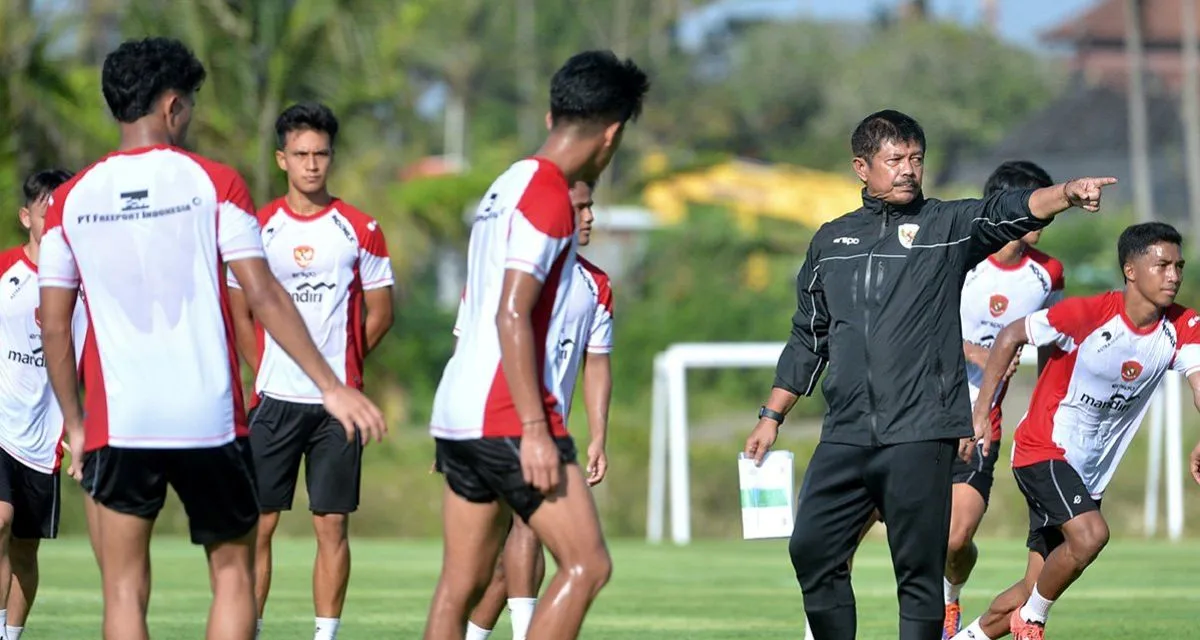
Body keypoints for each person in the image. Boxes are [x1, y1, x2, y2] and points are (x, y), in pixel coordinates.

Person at [36, 37, 386, 640]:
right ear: (172, 105)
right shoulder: (215, 182)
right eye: (190, 103)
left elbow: (53, 324)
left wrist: (73, 422)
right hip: (209, 419)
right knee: (232, 577)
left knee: (122, 591)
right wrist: (329, 385)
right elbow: (264, 294)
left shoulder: (69, 201)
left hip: (120, 421)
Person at [742, 109, 1117, 640]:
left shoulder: (946, 227)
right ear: (861, 167)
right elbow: (809, 334)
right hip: (846, 432)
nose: (908, 169)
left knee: (919, 573)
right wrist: (771, 414)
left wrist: (1065, 194)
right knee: (811, 549)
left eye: (916, 158)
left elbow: (1007, 210)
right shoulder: (830, 241)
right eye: (894, 159)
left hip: (921, 432)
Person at [422, 50, 647, 640]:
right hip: (505, 415)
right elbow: (511, 311)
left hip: (457, 412)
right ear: (613, 133)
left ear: (552, 117)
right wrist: (534, 428)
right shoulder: (549, 195)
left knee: (458, 585)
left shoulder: (507, 182)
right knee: (587, 564)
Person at [798, 160, 1067, 640]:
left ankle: (949, 602)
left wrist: (1037, 406)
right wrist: (978, 352)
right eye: (1037, 204)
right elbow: (914, 323)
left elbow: (1047, 343)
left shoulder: (1048, 273)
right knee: (839, 537)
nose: (1043, 218)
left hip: (979, 421)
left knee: (955, 537)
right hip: (910, 416)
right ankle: (817, 624)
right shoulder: (955, 248)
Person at [953, 222, 1200, 640]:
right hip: (1042, 450)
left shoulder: (1182, 324)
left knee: (1032, 588)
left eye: (1179, 265)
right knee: (1090, 536)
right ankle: (1032, 622)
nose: (1174, 275)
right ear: (1131, 270)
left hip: (1087, 472)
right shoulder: (1087, 314)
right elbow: (1013, 333)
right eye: (1162, 265)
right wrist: (981, 411)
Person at [227, 102, 395, 640]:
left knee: (332, 525)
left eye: (321, 153)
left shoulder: (362, 228)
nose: (312, 164)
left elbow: (381, 313)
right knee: (259, 526)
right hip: (274, 400)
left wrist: (342, 376)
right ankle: (249, 629)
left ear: (332, 158)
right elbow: (240, 307)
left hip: (335, 409)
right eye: (301, 154)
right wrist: (264, 366)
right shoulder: (258, 227)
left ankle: (325, 635)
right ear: (282, 159)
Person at [462, 180, 614, 640]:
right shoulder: (504, 277)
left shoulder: (597, 284)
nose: (589, 217)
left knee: (512, 563)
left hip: (549, 432)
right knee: (501, 552)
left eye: (591, 207)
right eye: (580, 208)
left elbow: (597, 365)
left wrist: (599, 436)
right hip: (493, 425)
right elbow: (465, 350)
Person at [0, 169, 85, 640]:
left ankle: (12, 634)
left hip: (45, 438)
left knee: (25, 553)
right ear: (25, 216)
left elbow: (97, 357)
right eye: (44, 209)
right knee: (0, 521)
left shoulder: (85, 285)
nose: (53, 218)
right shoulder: (4, 270)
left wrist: (84, 425)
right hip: (1, 424)